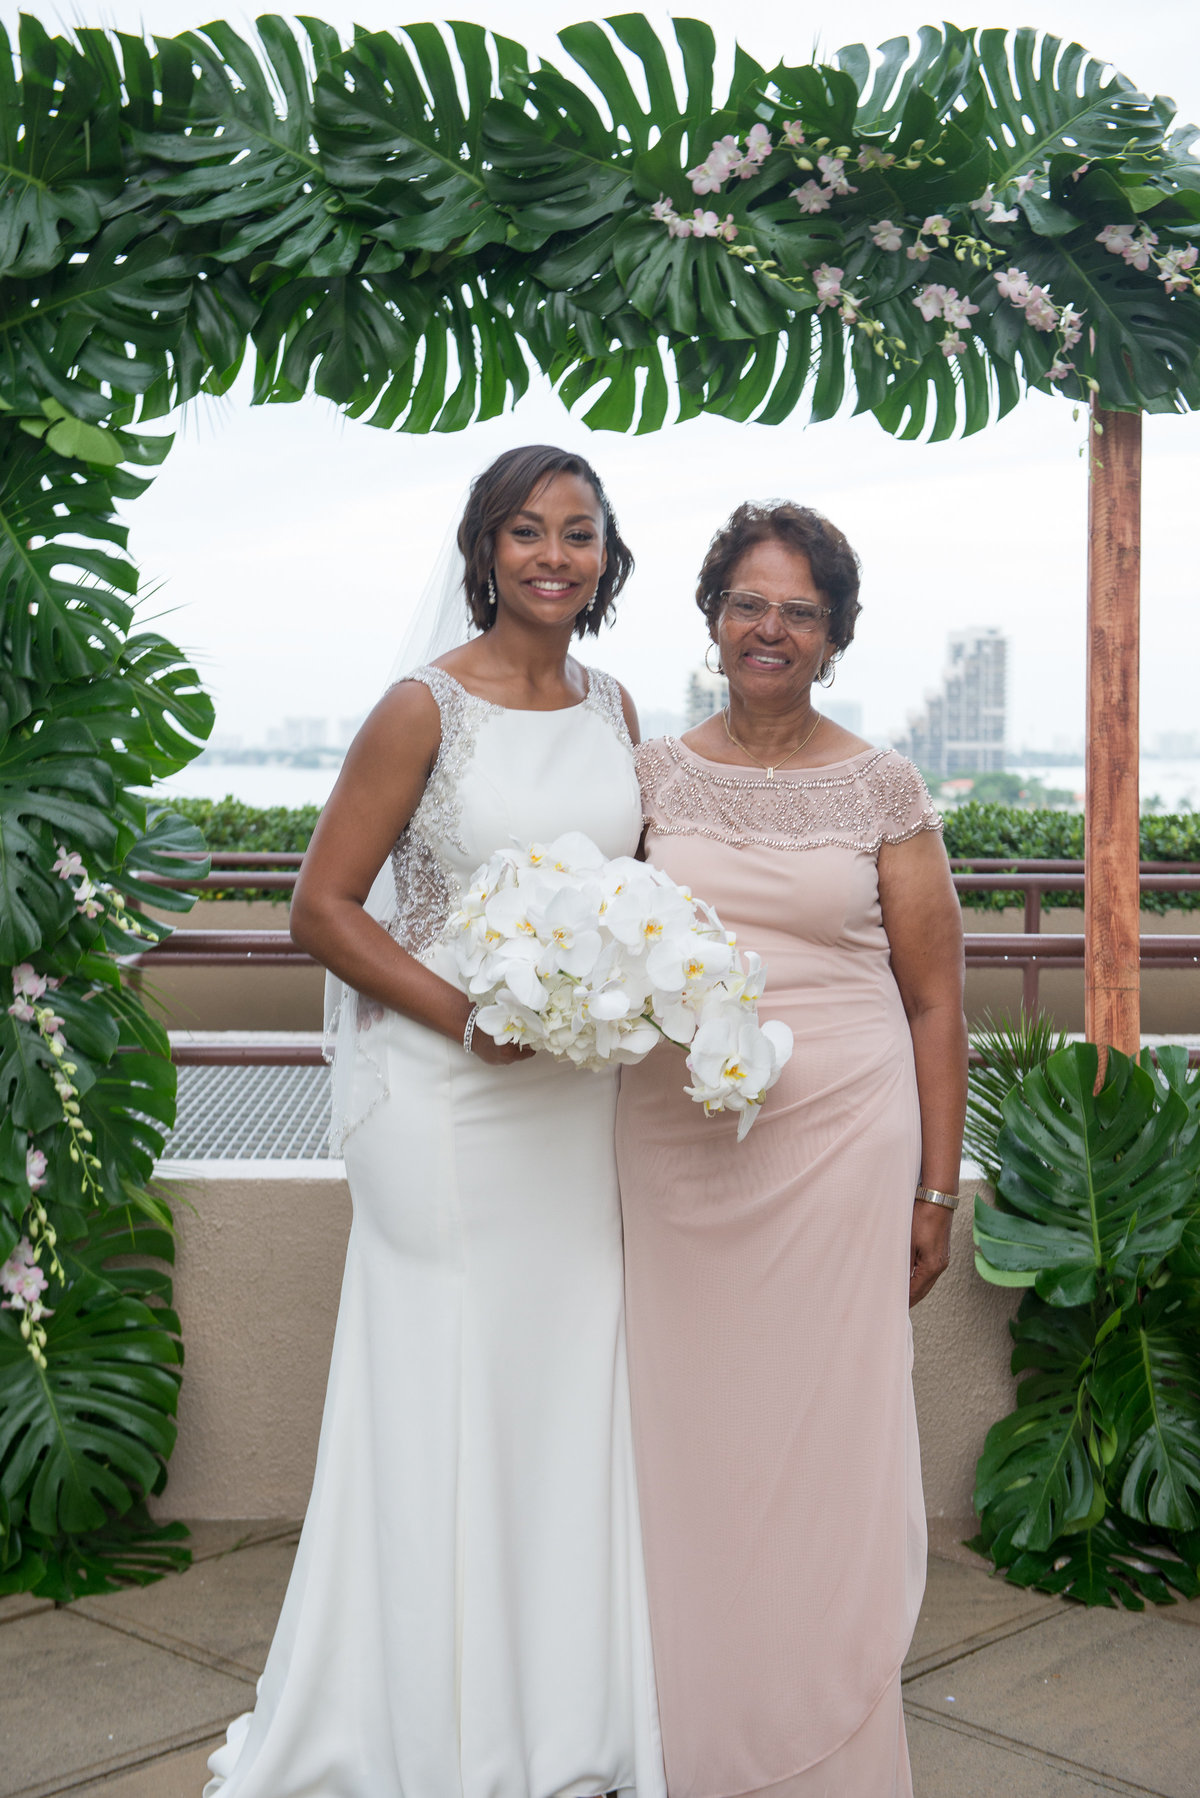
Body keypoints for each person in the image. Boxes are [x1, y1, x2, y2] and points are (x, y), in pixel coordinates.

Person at [204, 445, 665, 1798]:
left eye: (579, 532)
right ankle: (424, 1724)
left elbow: (630, 891)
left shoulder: (618, 703)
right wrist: (467, 1012)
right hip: (445, 1100)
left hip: (571, 1106)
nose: (553, 554)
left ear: (605, 555)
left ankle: (564, 1716)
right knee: (444, 1378)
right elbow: (321, 907)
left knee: (566, 1381)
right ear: (484, 547)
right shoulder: (421, 708)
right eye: (527, 530)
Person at [615, 501, 967, 1797]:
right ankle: (687, 1722)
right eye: (750, 602)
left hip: (838, 1147)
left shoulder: (882, 783)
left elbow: (937, 997)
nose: (770, 628)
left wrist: (939, 1183)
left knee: (823, 1433)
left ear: (832, 634)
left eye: (799, 609)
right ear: (714, 616)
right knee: (684, 1430)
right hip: (673, 1148)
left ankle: (825, 1730)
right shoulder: (650, 776)